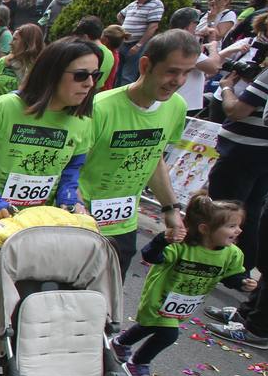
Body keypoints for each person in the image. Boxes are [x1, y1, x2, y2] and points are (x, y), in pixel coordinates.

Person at [78, 29, 197, 275]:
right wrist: (79, 213)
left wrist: (170, 209)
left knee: (106, 307)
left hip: (123, 226)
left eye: (187, 72)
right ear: (145, 65)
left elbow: (155, 159)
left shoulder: (176, 107)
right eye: (172, 71)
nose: (179, 81)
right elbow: (70, 166)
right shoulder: (101, 108)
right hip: (81, 223)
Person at [111, 195, 246, 376]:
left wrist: (242, 282)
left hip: (185, 302)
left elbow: (231, 275)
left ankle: (120, 342)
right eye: (231, 226)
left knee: (151, 326)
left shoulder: (232, 253)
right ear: (205, 229)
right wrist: (162, 240)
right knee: (168, 334)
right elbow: (150, 255)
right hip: (160, 297)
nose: (238, 230)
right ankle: (138, 363)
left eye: (238, 225)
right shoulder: (182, 247)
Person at [206, 16, 268, 290]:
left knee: (224, 212)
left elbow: (237, 110)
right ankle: (240, 271)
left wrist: (227, 87)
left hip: (244, 154)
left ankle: (209, 264)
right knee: (250, 214)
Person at [0, 39, 99, 215]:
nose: (89, 83)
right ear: (52, 73)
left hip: (43, 224)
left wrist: (70, 199)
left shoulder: (82, 119)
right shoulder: (4, 107)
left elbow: (72, 169)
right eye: (81, 75)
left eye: (95, 75)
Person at [117, 0, 165, 84]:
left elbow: (153, 26)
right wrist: (125, 27)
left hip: (137, 43)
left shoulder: (156, 5)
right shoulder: (133, 4)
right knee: (118, 72)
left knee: (128, 75)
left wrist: (139, 45)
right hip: (123, 42)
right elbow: (120, 15)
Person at [0, 24, 44, 103]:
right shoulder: (4, 61)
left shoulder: (40, 68)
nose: (10, 43)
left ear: (27, 43)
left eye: (15, 39)